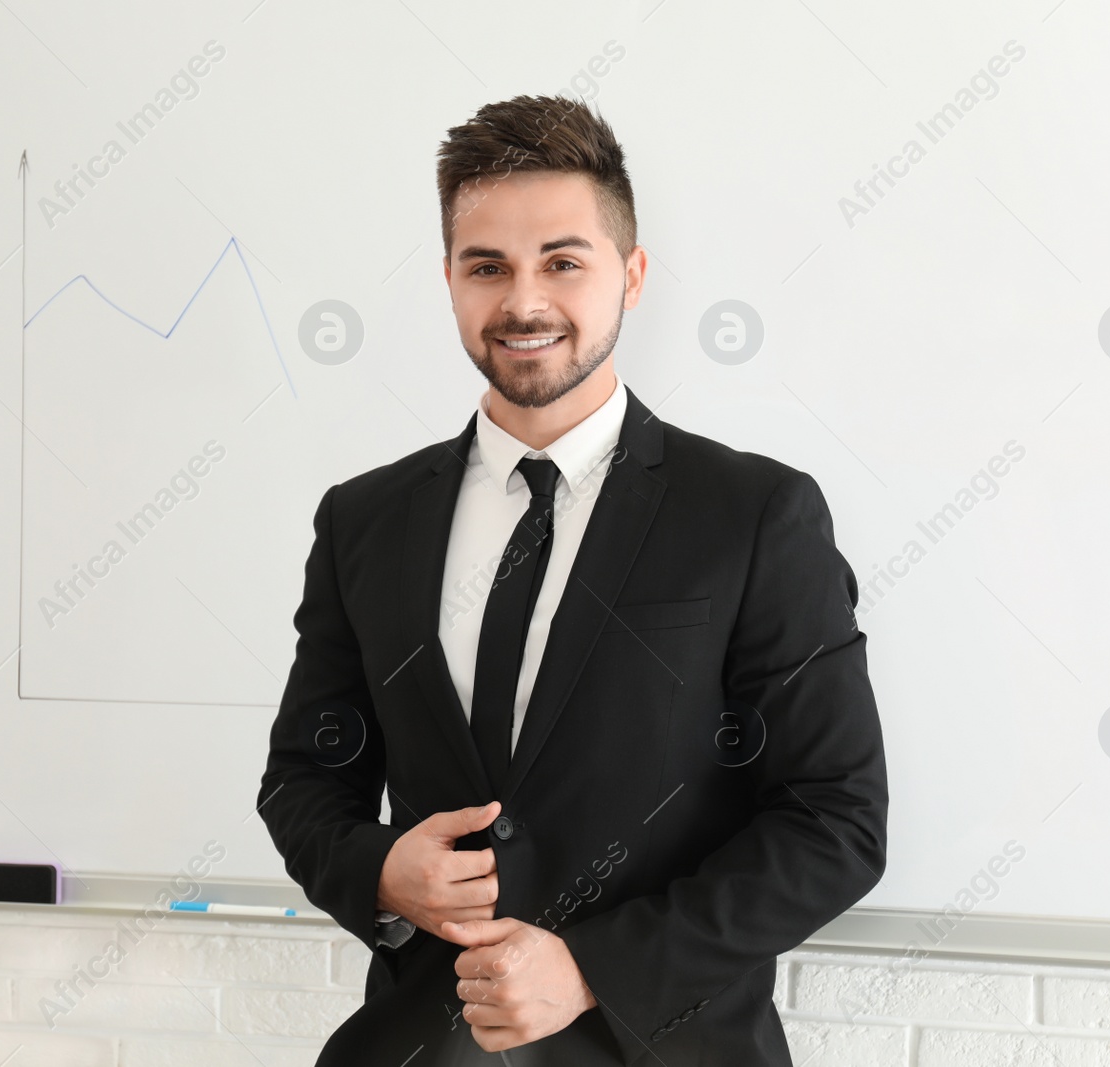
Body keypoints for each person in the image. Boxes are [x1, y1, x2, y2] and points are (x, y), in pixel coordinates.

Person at [260, 93, 888, 1066]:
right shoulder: (364, 519)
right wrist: (381, 867)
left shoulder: (752, 514)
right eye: (487, 266)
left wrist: (595, 965)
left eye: (561, 260)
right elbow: (305, 777)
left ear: (631, 276)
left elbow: (835, 820)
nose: (523, 301)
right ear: (449, 281)